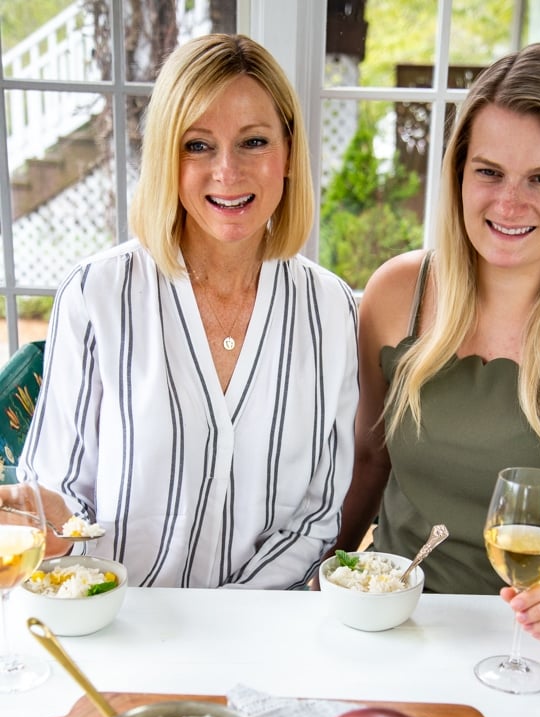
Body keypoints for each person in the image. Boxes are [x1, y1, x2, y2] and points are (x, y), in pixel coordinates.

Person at [22, 33, 358, 589]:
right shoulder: (96, 294)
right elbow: (60, 495)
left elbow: (318, 517)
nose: (227, 171)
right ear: (165, 157)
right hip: (119, 628)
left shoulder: (332, 311)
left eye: (253, 142)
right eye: (197, 145)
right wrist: (44, 524)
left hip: (265, 637)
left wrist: (230, 627)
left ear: (290, 155)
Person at [330, 42, 540, 658]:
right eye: (489, 172)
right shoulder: (398, 292)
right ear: (457, 175)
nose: (509, 204)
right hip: (392, 626)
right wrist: (322, 578)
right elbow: (370, 462)